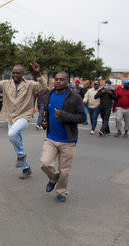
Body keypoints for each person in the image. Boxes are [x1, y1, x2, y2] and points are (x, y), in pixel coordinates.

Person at [0, 56, 47, 179]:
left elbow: (43, 87)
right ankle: (26, 168)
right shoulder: (6, 84)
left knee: (12, 134)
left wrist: (38, 72)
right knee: (16, 141)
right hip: (10, 116)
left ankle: (21, 156)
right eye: (14, 72)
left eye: (18, 73)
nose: (15, 75)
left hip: (24, 116)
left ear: (23, 74)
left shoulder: (30, 85)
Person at [40, 72, 86, 202]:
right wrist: (45, 122)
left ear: (68, 81)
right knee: (44, 164)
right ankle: (54, 178)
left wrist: (63, 115)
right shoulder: (49, 94)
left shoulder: (74, 97)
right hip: (51, 138)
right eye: (56, 79)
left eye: (62, 79)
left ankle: (61, 192)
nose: (58, 81)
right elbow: (47, 113)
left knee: (64, 170)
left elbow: (82, 117)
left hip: (67, 140)